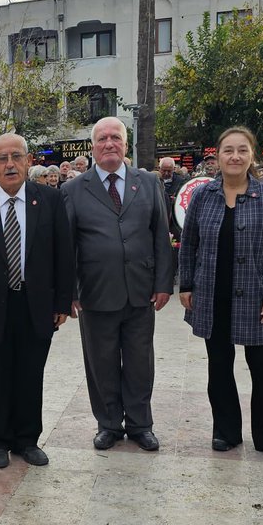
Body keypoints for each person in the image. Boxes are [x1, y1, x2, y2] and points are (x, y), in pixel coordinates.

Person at [0, 132, 74, 468]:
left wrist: (62, 303)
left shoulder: (50, 200)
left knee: (30, 374)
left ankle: (27, 439)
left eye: (17, 157)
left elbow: (63, 255)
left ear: (29, 161)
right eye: (2, 159)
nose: (10, 164)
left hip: (36, 305)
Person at [63, 116, 175, 452]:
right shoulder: (73, 189)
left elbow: (160, 234)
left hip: (141, 291)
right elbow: (66, 245)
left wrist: (163, 283)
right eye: (102, 139)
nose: (109, 143)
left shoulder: (148, 182)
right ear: (92, 147)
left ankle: (141, 424)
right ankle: (108, 424)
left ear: (126, 145)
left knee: (141, 362)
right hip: (95, 293)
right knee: (101, 362)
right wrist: (70, 292)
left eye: (116, 138)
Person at [179, 126, 263, 457]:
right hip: (213, 295)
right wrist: (186, 284)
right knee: (219, 366)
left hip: (257, 297)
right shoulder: (203, 195)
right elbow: (189, 245)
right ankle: (226, 431)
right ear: (218, 154)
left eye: (242, 150)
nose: (235, 156)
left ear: (252, 155)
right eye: (228, 150)